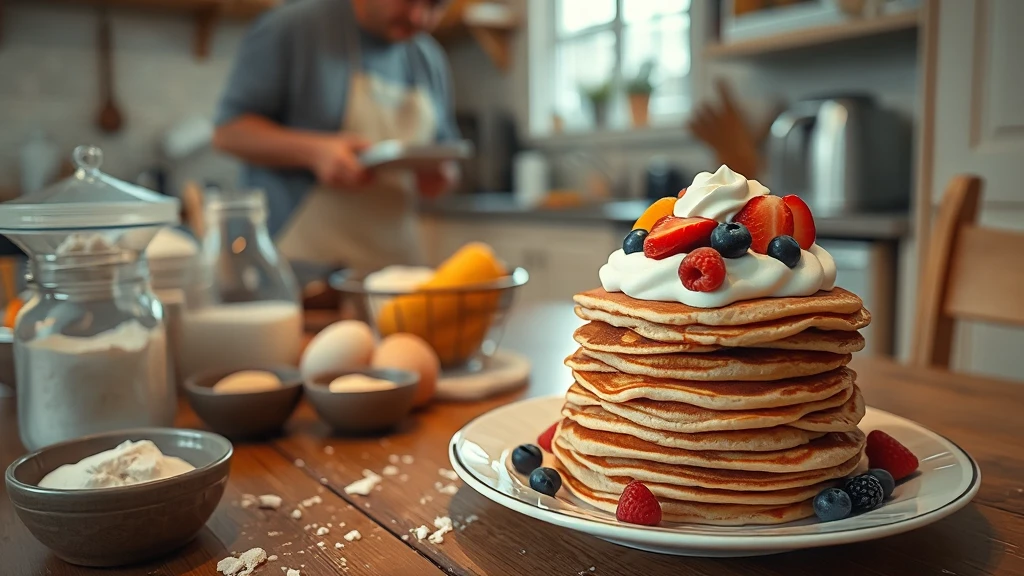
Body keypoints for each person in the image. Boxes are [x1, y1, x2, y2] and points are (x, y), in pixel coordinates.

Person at [213, 0, 459, 273]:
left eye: (436, 5)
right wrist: (315, 151)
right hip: (301, 268)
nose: (418, 16)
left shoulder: (429, 59)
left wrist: (440, 175)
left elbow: (447, 152)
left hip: (393, 267)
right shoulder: (292, 27)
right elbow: (228, 132)